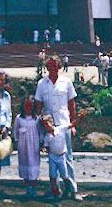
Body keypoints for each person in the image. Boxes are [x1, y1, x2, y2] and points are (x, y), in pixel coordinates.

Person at [35, 55, 82, 201]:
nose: (52, 68)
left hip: (64, 123)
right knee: (52, 158)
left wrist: (73, 124)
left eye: (55, 65)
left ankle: (73, 189)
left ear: (59, 66)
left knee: (67, 156)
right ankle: (56, 189)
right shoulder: (42, 83)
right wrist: (38, 123)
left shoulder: (66, 82)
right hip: (49, 125)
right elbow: (38, 104)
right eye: (49, 65)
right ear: (46, 67)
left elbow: (71, 103)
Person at [41, 114, 74, 202]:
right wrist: (44, 148)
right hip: (52, 157)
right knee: (52, 176)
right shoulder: (47, 137)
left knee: (64, 175)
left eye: (47, 124)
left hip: (61, 156)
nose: (46, 127)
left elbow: (72, 125)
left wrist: (80, 117)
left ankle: (68, 190)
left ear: (52, 123)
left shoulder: (61, 129)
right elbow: (46, 146)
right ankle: (55, 193)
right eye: (44, 126)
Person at [14, 96, 42, 198]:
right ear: (23, 106)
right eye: (26, 105)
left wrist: (41, 143)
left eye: (30, 105)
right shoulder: (19, 118)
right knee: (25, 166)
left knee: (33, 167)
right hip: (23, 147)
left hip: (34, 146)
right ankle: (27, 189)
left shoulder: (37, 119)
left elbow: (40, 132)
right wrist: (17, 142)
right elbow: (16, 131)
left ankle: (33, 189)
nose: (28, 108)